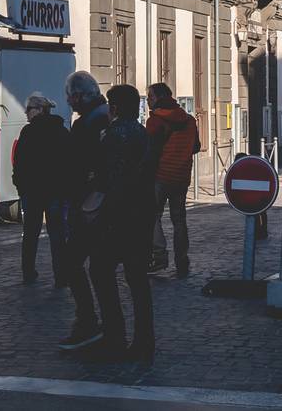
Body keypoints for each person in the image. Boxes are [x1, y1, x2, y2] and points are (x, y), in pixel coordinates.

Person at [89, 83, 157, 363]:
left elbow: (108, 180)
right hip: (141, 213)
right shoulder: (142, 133)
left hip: (117, 216)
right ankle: (145, 339)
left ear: (114, 107)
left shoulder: (112, 136)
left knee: (101, 271)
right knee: (138, 280)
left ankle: (114, 333)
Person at [56, 70, 111, 354]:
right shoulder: (105, 116)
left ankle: (88, 321)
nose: (69, 103)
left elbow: (79, 165)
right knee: (100, 268)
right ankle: (104, 326)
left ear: (78, 96)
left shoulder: (88, 124)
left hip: (90, 205)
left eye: (70, 98)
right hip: (101, 203)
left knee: (76, 263)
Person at [13, 92, 70, 286]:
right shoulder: (61, 131)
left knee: (30, 234)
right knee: (57, 234)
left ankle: (28, 272)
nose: (26, 113)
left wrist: (20, 186)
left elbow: (19, 162)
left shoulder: (28, 132)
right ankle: (60, 275)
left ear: (38, 110)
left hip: (33, 190)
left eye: (29, 109)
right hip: (55, 190)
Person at [145, 82, 199, 277]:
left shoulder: (155, 121)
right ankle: (182, 262)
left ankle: (159, 256)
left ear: (158, 98)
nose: (149, 101)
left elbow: (150, 151)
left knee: (152, 216)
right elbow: (196, 146)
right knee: (179, 220)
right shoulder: (190, 120)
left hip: (160, 175)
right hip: (181, 176)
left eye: (150, 97)